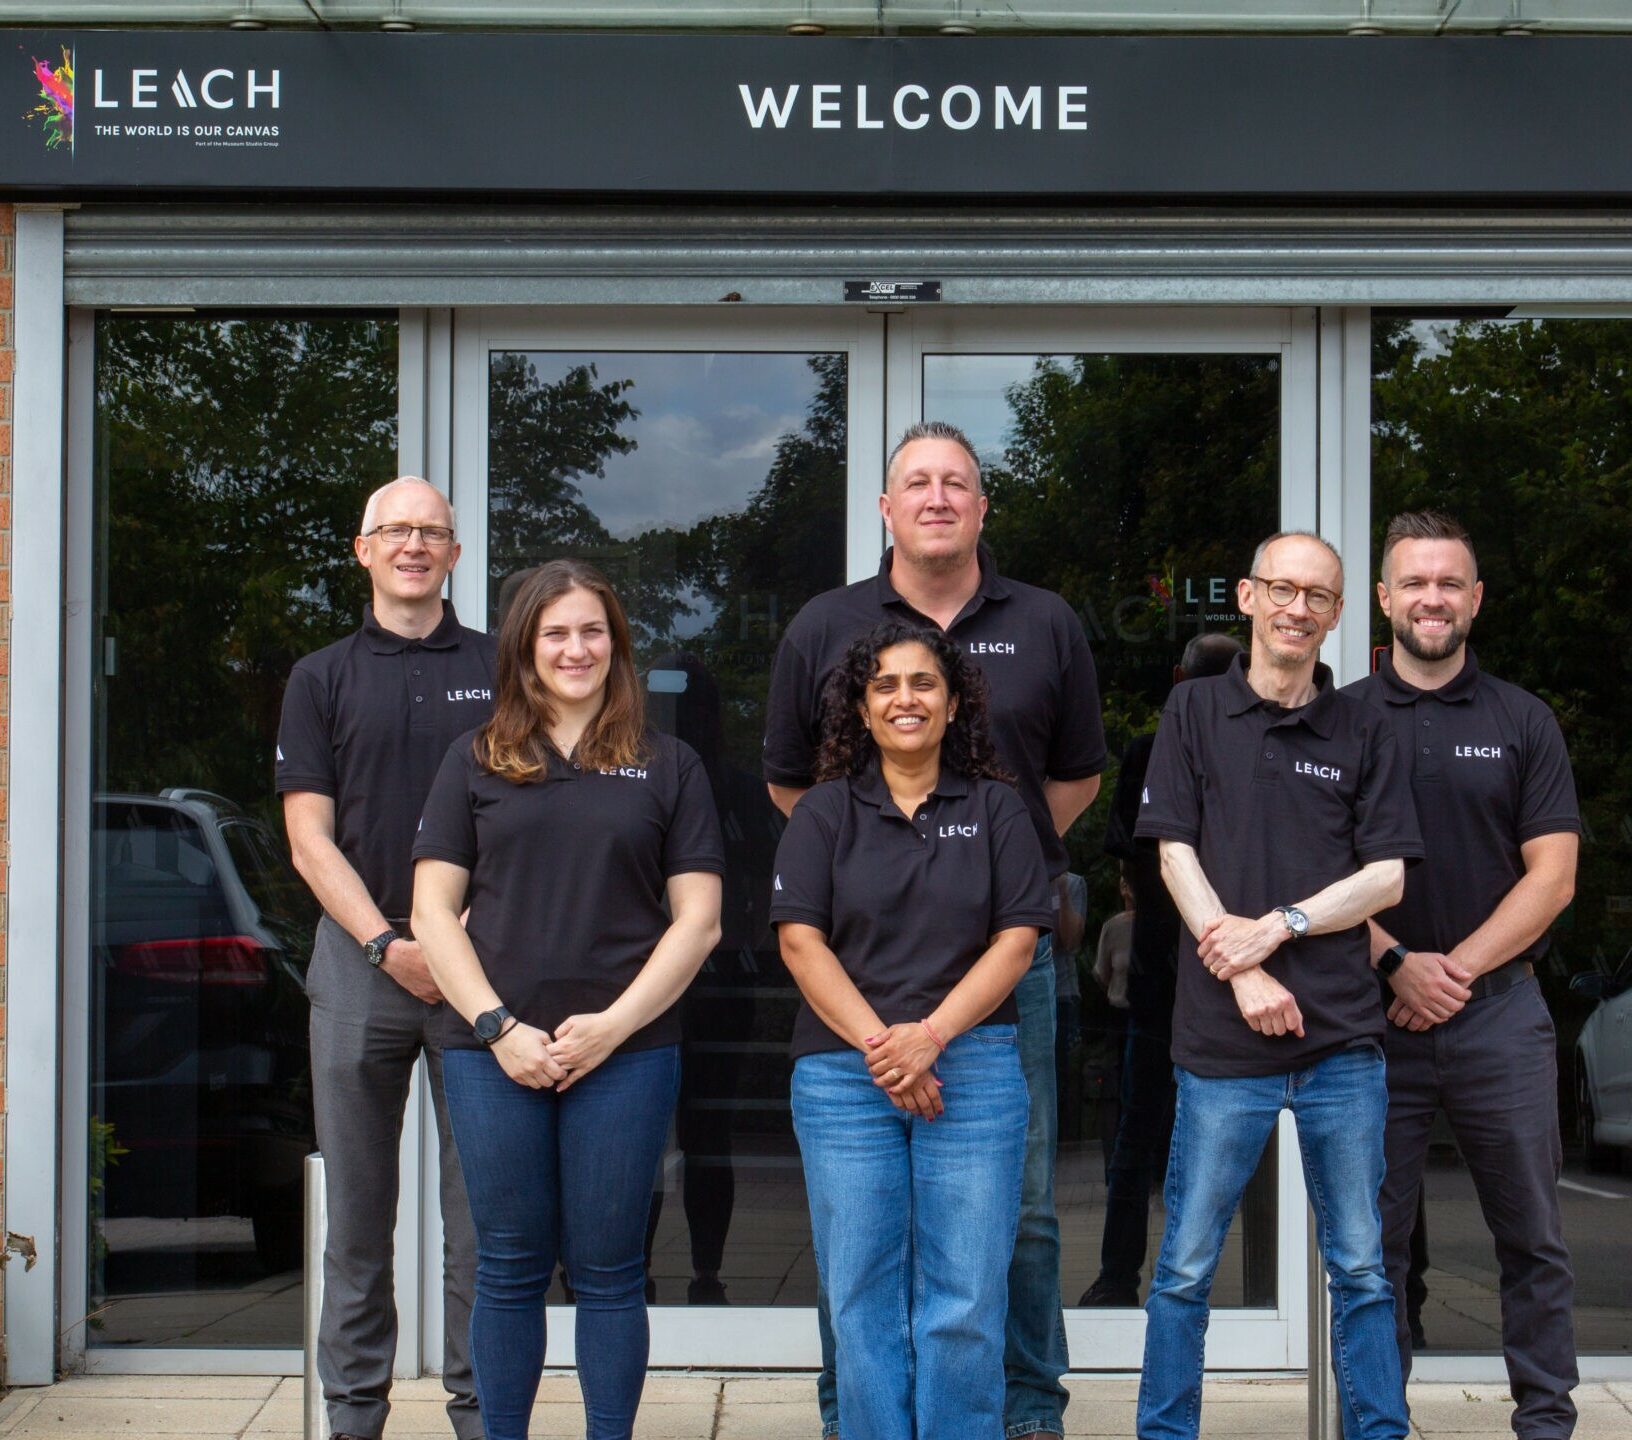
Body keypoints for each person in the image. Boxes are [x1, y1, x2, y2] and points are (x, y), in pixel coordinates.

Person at [765, 420, 1104, 1440]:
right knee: (861, 1252)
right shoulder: (825, 625)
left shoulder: (1045, 623)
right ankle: (852, 1416)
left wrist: (981, 866)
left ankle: (1026, 1409)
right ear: (885, 507)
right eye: (917, 482)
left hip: (1005, 967)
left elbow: (1078, 776)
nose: (938, 498)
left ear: (983, 506)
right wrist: (874, 859)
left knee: (1021, 1211)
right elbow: (790, 781)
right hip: (856, 993)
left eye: (958, 482)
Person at [409, 559, 724, 1440]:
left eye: (592, 631)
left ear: (616, 645)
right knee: (508, 1263)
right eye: (555, 632)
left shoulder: (670, 765)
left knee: (609, 1268)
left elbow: (697, 922)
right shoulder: (473, 759)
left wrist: (614, 1028)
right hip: (491, 1054)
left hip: (628, 1052)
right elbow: (432, 911)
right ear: (524, 648)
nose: (575, 648)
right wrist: (496, 1025)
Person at [1134, 531, 1423, 1440]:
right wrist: (1246, 966)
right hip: (1222, 1043)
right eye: (1282, 590)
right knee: (1184, 1266)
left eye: (1319, 597)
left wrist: (1284, 924)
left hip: (1342, 1039)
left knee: (1364, 1269)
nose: (1299, 608)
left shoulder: (1363, 724)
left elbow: (1389, 879)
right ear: (1250, 599)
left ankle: (1378, 1433)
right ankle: (1164, 1433)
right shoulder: (1192, 716)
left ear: (1339, 615)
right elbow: (1173, 851)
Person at [773, 621, 1056, 1440]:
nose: (906, 699)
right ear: (861, 710)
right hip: (842, 1076)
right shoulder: (824, 811)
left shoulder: (998, 807)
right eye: (886, 685)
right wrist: (888, 1050)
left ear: (954, 702)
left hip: (972, 1066)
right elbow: (801, 941)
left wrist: (929, 1037)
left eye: (924, 683)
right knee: (860, 1292)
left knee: (966, 1293)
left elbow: (1018, 940)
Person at [1347, 510, 1580, 1440]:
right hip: (1369, 1022)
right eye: (1414, 582)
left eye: (1450, 583)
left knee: (1531, 1238)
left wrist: (1453, 971)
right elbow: (1308, 874)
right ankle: (1379, 1422)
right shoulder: (1341, 718)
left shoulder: (1522, 720)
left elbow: (1554, 875)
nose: (1432, 598)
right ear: (1384, 597)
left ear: (1475, 600)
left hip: (1498, 1017)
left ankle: (1547, 1423)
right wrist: (1396, 963)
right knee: (1376, 1253)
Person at [278, 476, 493, 1440]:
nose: (413, 544)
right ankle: (354, 1418)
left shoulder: (504, 669)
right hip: (360, 967)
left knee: (483, 1226)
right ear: (362, 550)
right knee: (357, 1223)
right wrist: (386, 942)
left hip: (484, 972)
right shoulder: (320, 677)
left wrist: (446, 951)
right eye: (394, 530)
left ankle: (484, 1412)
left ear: (454, 555)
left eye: (431, 531)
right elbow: (308, 840)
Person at [1079, 632, 1243, 1310]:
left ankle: (1121, 1276)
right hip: (1221, 966)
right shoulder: (1240, 748)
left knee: (1140, 1134)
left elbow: (1128, 854)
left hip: (1167, 967)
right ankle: (1182, 1283)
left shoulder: (1152, 751)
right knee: (1202, 1136)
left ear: (1178, 675)